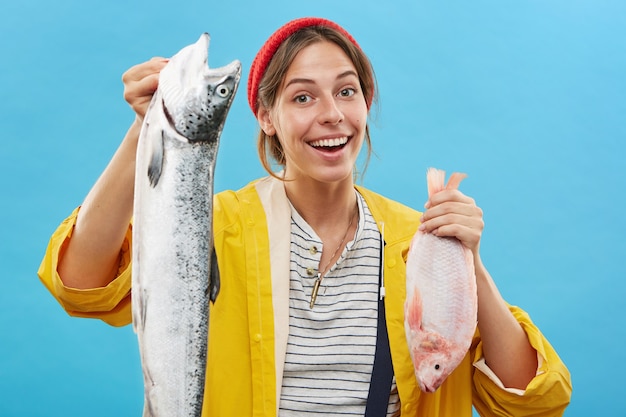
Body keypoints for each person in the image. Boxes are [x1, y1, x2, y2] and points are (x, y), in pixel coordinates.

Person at [38, 17, 571, 417]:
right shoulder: (214, 226)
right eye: (302, 97)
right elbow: (80, 283)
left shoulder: (418, 240)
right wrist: (151, 127)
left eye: (346, 91)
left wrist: (469, 265)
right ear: (266, 117)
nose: (331, 115)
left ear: (366, 104)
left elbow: (534, 399)